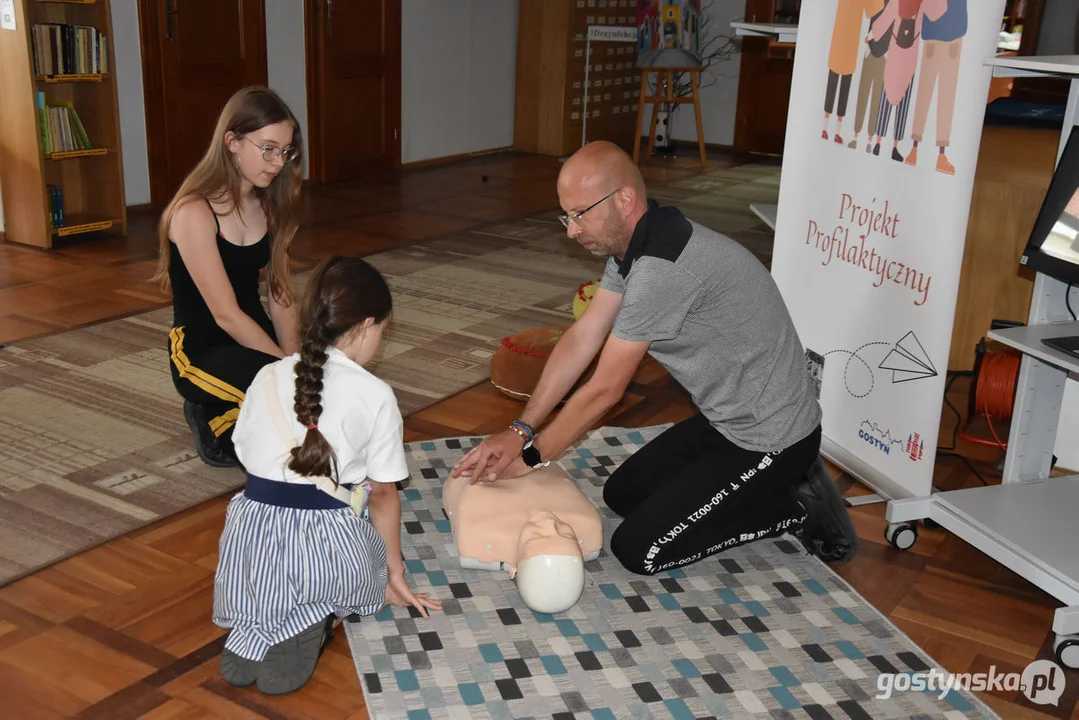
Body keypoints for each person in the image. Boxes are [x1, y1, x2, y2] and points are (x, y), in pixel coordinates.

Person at [450, 141, 858, 576]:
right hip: (728, 423)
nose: (572, 230)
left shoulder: (662, 269)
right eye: (566, 216)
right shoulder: (636, 248)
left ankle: (793, 507)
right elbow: (582, 338)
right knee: (622, 495)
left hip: (773, 440)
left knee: (640, 550)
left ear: (624, 199)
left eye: (580, 214)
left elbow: (605, 390)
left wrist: (531, 457)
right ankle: (766, 488)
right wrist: (520, 429)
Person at [212, 255, 442, 695]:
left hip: (251, 540)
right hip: (326, 550)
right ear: (368, 325)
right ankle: (315, 614)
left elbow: (245, 453)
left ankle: (255, 623)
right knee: (357, 561)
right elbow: (383, 496)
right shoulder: (376, 394)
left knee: (274, 554)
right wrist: (392, 574)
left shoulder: (265, 375)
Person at [151, 86, 304, 468]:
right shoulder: (193, 212)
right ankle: (207, 415)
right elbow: (226, 315)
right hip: (201, 349)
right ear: (232, 142)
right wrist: (287, 373)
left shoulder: (270, 206)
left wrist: (296, 361)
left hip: (253, 337)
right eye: (267, 148)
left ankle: (228, 409)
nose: (277, 162)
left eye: (285, 151)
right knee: (280, 442)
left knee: (310, 395)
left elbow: (282, 295)